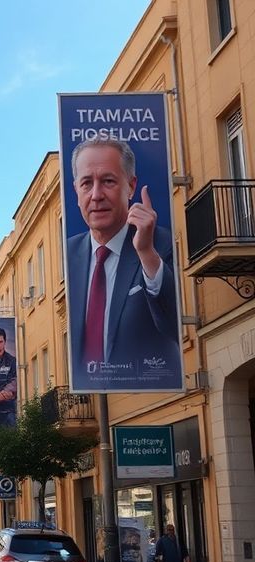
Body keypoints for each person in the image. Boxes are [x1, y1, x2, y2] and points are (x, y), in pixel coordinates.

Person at [67, 138, 180, 389]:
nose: (96, 195)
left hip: (150, 389)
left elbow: (175, 324)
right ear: (76, 191)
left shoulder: (160, 242)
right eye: (87, 183)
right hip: (89, 391)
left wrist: (146, 252)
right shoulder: (68, 254)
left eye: (108, 181)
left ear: (131, 186)